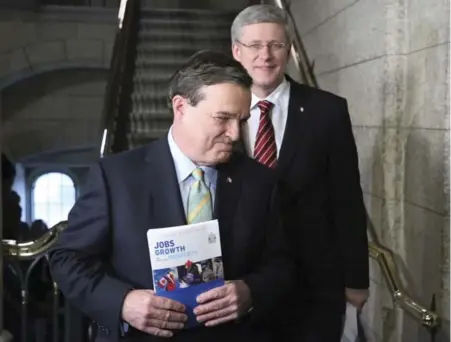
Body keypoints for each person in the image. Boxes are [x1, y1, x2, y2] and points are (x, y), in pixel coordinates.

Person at [49, 50, 293, 342]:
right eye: (222, 118)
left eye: (241, 120)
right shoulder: (116, 177)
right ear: (180, 107)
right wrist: (123, 303)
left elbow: (282, 264)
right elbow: (66, 258)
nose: (235, 134)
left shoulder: (260, 181)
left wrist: (250, 292)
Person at [231, 5, 369, 341]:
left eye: (276, 45)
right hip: (240, 285)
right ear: (236, 51)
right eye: (254, 46)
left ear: (290, 50)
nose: (265, 55)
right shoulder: (218, 111)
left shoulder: (328, 110)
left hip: (314, 283)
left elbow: (347, 198)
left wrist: (356, 280)